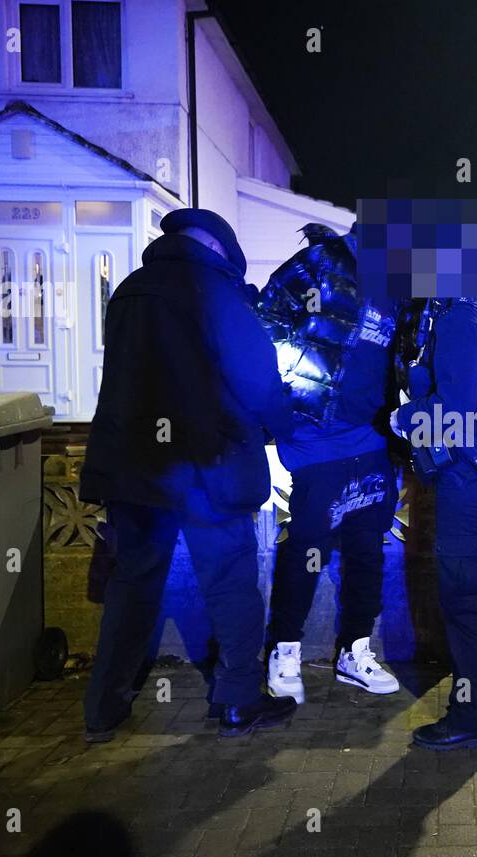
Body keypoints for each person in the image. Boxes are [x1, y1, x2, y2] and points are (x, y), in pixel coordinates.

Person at [79, 208, 298, 742]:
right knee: (230, 585)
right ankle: (238, 701)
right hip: (208, 470)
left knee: (131, 584)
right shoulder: (218, 294)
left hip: (136, 470)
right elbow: (260, 382)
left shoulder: (129, 291)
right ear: (219, 249)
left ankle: (103, 708)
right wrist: (285, 431)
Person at [253, 225, 401, 703]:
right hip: (317, 437)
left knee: (367, 548)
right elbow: (264, 329)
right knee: (307, 548)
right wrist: (285, 412)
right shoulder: (320, 263)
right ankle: (285, 649)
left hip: (371, 438)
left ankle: (355, 651)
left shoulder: (402, 283)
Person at [395, 290, 477, 752]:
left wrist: (405, 416)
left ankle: (472, 718)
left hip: (471, 471)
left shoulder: (458, 318)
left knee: (466, 597)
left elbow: (455, 413)